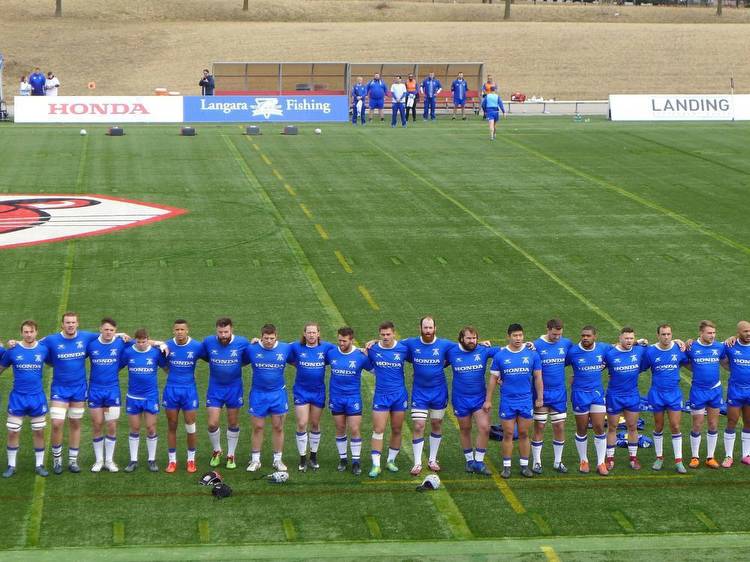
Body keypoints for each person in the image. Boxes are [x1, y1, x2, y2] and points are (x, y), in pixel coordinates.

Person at [42, 312, 99, 474]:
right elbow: (32, 343)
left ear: (77, 324)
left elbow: (107, 335)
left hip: (79, 389)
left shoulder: (86, 337)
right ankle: (57, 460)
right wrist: (13, 343)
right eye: (67, 322)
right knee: (57, 423)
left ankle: (73, 461)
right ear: (62, 325)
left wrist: (122, 335)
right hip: (60, 389)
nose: (70, 325)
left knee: (75, 424)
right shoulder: (51, 340)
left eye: (73, 322)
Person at [399, 316, 455, 475]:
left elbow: (464, 348)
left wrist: (481, 345)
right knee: (418, 426)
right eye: (425, 328)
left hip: (439, 392)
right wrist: (374, 342)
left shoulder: (444, 344)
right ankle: (417, 463)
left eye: (430, 328)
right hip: (420, 393)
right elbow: (391, 345)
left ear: (435, 328)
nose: (428, 331)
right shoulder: (411, 343)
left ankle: (432, 459)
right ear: (420, 328)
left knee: (436, 424)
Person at [487, 324, 543, 478]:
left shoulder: (532, 354)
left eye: (520, 335)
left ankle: (525, 466)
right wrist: (488, 400)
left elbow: (538, 377)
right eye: (515, 336)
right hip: (508, 401)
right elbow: (493, 379)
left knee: (524, 433)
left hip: (525, 400)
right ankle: (507, 467)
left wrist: (540, 397)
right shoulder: (500, 355)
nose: (518, 338)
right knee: (508, 433)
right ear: (508, 336)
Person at [446, 326, 500, 475]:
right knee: (465, 429)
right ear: (461, 339)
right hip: (460, 398)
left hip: (479, 398)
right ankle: (469, 461)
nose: (472, 341)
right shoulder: (451, 351)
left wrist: (527, 345)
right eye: (469, 338)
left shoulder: (483, 350)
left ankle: (479, 462)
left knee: (484, 428)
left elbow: (506, 351)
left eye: (474, 338)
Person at [0, 321, 50, 478]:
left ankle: (39, 465)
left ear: (36, 332)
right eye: (26, 332)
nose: (29, 334)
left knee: (39, 432)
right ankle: (11, 465)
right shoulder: (13, 350)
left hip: (37, 397)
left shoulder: (43, 349)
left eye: (31, 331)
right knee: (13, 432)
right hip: (18, 398)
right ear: (21, 333)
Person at [244, 324, 293, 472]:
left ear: (276, 336)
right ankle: (255, 460)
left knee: (278, 427)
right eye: (266, 338)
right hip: (258, 394)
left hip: (278, 394)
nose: (269, 341)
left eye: (272, 338)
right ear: (261, 337)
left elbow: (307, 348)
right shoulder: (251, 348)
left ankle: (277, 460)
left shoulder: (286, 348)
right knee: (258, 427)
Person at [202, 317, 249, 469]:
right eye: (220, 332)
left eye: (226, 332)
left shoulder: (242, 342)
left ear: (231, 330)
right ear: (216, 331)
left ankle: (231, 454)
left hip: (234, 389)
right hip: (215, 388)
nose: (223, 335)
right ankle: (217, 450)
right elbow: (202, 355)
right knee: (212, 423)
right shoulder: (209, 342)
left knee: (233, 422)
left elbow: (248, 358)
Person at [86, 318, 132, 473]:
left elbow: (142, 342)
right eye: (106, 329)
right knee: (97, 424)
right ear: (100, 329)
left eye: (112, 330)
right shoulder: (91, 343)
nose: (108, 332)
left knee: (111, 425)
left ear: (115, 330)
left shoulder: (121, 342)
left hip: (112, 391)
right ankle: (99, 461)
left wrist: (160, 343)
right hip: (95, 390)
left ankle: (109, 460)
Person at [120, 328, 168, 473]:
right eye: (139, 341)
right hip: (133, 397)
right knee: (134, 428)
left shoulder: (155, 352)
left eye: (144, 341)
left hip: (150, 397)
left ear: (148, 339)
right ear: (136, 340)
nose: (141, 344)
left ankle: (151, 460)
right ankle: (133, 460)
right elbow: (116, 367)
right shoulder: (129, 352)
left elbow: (166, 368)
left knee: (151, 428)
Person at [566, 325, 612, 476]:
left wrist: (639, 342)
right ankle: (584, 460)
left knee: (599, 426)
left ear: (595, 336)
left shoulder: (603, 348)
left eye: (588, 336)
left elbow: (621, 349)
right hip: (579, 394)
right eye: (583, 335)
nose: (585, 338)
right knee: (582, 428)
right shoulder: (573, 351)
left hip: (597, 393)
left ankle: (600, 463)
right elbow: (557, 363)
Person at [289, 323, 334, 472]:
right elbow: (281, 350)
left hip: (318, 391)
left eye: (314, 332)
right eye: (309, 332)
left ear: (319, 334)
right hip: (301, 391)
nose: (311, 335)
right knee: (302, 423)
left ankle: (313, 456)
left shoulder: (327, 347)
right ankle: (302, 458)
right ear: (304, 334)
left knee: (315, 423)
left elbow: (343, 351)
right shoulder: (296, 347)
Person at [327, 327, 372, 475]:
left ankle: (356, 462)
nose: (341, 343)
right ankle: (343, 459)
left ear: (351, 340)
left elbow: (376, 370)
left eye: (344, 341)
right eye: (339, 340)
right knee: (340, 428)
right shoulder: (332, 353)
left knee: (354, 429)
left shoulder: (360, 355)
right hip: (336, 397)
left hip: (353, 398)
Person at [367, 321, 409, 478]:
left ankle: (391, 461)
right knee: (378, 430)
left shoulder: (403, 348)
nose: (385, 337)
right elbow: (357, 353)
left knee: (397, 429)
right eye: (382, 334)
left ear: (394, 333)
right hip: (381, 396)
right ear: (379, 335)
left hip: (399, 395)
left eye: (388, 334)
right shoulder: (373, 349)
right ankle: (376, 465)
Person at [531, 318, 573, 474]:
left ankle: (558, 461)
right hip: (541, 393)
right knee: (540, 426)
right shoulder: (536, 345)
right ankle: (537, 462)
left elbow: (575, 357)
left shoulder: (566, 343)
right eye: (554, 334)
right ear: (547, 329)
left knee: (560, 427)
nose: (557, 337)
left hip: (559, 393)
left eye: (560, 334)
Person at [645, 324, 689, 473]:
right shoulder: (650, 351)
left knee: (676, 426)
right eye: (663, 334)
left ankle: (679, 461)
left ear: (672, 335)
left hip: (674, 394)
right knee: (658, 426)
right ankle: (659, 457)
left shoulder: (678, 348)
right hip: (657, 393)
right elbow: (639, 366)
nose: (666, 337)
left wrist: (687, 341)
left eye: (668, 334)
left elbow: (688, 360)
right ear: (658, 335)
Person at [163, 319, 205, 473]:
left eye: (182, 329)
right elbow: (144, 343)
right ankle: (172, 461)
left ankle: (191, 460)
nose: (179, 332)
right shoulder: (167, 346)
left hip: (189, 391)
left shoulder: (196, 346)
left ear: (187, 330)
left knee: (190, 426)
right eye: (177, 329)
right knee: (172, 425)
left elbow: (212, 353)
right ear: (173, 331)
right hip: (171, 390)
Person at [603, 327, 648, 471]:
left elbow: (660, 348)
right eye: (626, 338)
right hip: (614, 395)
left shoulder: (639, 350)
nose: (629, 341)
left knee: (632, 427)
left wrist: (679, 341)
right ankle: (609, 459)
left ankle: (633, 459)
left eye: (631, 338)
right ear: (620, 338)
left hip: (632, 395)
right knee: (612, 427)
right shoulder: (610, 353)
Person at [685, 320, 726, 469]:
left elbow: (726, 360)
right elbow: (683, 361)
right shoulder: (691, 347)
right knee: (697, 424)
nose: (712, 336)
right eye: (709, 333)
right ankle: (695, 456)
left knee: (713, 424)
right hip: (698, 391)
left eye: (714, 333)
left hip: (715, 390)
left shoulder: (719, 347)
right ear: (701, 333)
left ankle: (710, 457)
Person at [722, 320, 750, 467]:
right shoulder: (730, 345)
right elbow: (719, 356)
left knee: (748, 422)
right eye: (745, 331)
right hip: (735, 390)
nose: (748, 333)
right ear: (738, 332)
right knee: (731, 421)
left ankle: (746, 455)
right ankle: (728, 456)